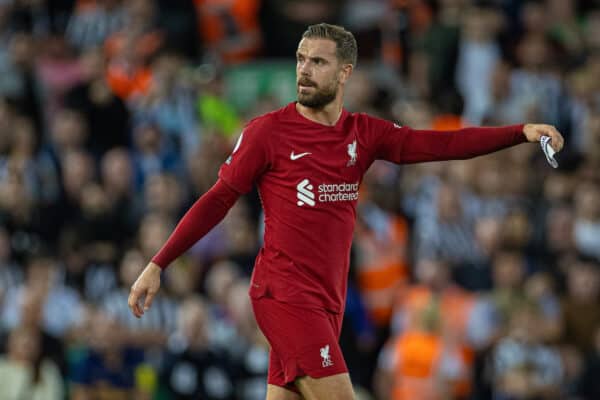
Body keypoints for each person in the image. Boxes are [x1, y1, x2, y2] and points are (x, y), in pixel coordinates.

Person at [128, 23, 564, 399]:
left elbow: (441, 144)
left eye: (317, 62)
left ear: (345, 72)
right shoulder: (268, 133)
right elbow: (217, 199)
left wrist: (520, 132)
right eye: (301, 59)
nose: (304, 70)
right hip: (284, 294)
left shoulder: (363, 134)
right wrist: (159, 263)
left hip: (328, 302)